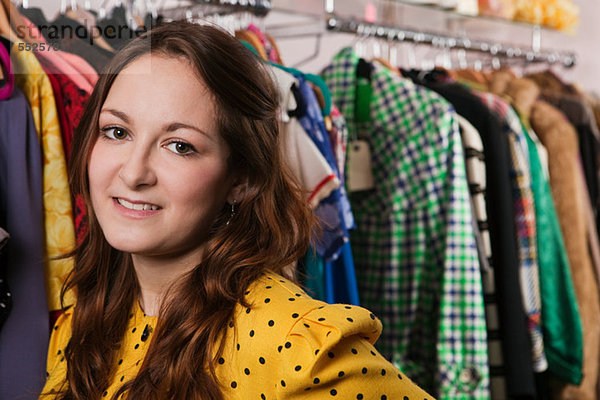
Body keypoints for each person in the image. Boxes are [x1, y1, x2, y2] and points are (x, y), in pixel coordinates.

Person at [40, 21, 434, 400]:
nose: (133, 172)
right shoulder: (82, 321)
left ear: (240, 179)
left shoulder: (297, 348)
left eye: (180, 145)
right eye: (117, 132)